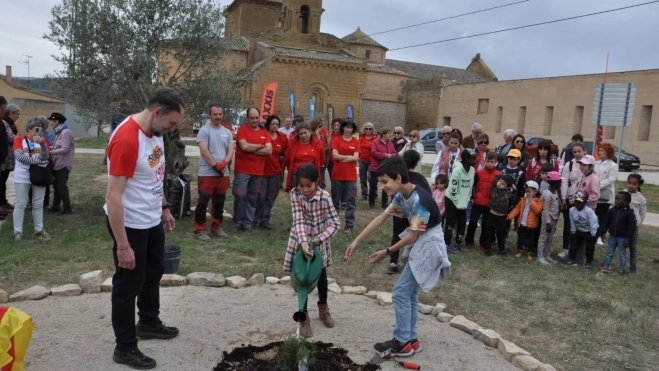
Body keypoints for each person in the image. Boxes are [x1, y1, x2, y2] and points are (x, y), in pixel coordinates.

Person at [104, 87, 183, 369]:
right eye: (173, 123)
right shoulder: (127, 139)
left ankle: (148, 321)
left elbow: (155, 175)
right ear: (158, 112)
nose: (173, 129)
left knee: (153, 272)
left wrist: (164, 208)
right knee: (128, 285)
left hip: (151, 218)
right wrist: (123, 246)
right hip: (130, 223)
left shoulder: (157, 133)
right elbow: (113, 197)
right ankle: (124, 347)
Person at [345, 156, 450, 357]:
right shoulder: (402, 196)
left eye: (385, 181)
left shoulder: (420, 200)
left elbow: (412, 235)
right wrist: (356, 240)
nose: (383, 186)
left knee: (400, 292)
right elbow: (381, 217)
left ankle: (402, 342)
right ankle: (410, 339)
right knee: (409, 293)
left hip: (429, 247)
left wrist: (387, 252)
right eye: (381, 182)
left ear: (399, 178)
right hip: (421, 243)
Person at [284, 163, 340, 338]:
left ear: (317, 181)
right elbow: (298, 219)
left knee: (321, 276)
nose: (305, 189)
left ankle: (323, 310)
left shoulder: (324, 197)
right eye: (301, 185)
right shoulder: (295, 194)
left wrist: (318, 239)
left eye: (309, 185)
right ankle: (304, 316)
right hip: (301, 240)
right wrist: (304, 242)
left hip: (319, 240)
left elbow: (335, 224)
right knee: (303, 278)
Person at [193, 104, 235, 241]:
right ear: (209, 115)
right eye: (215, 114)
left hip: (224, 173)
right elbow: (204, 150)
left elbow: (230, 150)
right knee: (203, 201)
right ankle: (200, 229)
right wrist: (214, 165)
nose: (218, 117)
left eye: (220, 114)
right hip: (207, 173)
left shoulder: (227, 132)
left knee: (220, 202)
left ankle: (217, 227)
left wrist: (224, 163)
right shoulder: (204, 131)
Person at [388, 150, 432, 275]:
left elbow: (393, 194)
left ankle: (393, 263)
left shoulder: (399, 177)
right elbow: (428, 197)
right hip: (416, 214)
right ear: (417, 162)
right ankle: (412, 261)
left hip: (400, 211)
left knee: (397, 235)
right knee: (415, 237)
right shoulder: (421, 178)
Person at [233, 107, 272, 232]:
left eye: (256, 118)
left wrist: (252, 149)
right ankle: (238, 222)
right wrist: (260, 146)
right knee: (241, 195)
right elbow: (244, 147)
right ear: (247, 118)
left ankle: (248, 223)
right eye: (252, 118)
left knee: (252, 197)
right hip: (242, 170)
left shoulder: (264, 132)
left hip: (257, 171)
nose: (255, 120)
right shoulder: (242, 130)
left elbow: (269, 151)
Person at [12, 117, 52, 241]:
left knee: (38, 203)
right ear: (28, 129)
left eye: (42, 130)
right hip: (22, 176)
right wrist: (39, 161)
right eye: (36, 129)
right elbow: (20, 157)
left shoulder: (43, 140)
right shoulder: (19, 140)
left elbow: (47, 157)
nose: (40, 132)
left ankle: (39, 229)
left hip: (39, 175)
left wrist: (42, 144)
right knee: (20, 203)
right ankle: (18, 232)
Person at [254, 115, 288, 230]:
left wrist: (282, 158)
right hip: (262, 171)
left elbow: (286, 151)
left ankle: (265, 220)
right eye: (273, 124)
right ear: (268, 124)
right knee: (261, 196)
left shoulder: (282, 137)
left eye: (277, 124)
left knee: (271, 196)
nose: (275, 126)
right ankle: (255, 218)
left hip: (275, 172)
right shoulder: (263, 134)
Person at [465, 152, 500, 251]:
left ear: (496, 162)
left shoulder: (499, 175)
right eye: (487, 161)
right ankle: (469, 241)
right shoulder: (479, 173)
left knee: (485, 225)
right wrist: (471, 196)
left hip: (489, 204)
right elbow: (472, 185)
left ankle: (483, 244)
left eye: (492, 162)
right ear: (484, 161)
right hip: (477, 202)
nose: (489, 163)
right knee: (472, 222)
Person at [330, 119, 360, 233]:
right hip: (337, 175)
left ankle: (349, 225)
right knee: (335, 200)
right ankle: (334, 224)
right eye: (347, 127)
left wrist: (342, 157)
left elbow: (356, 158)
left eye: (351, 128)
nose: (349, 129)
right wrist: (349, 158)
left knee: (351, 201)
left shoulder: (356, 141)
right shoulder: (336, 140)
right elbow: (335, 156)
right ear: (343, 128)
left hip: (351, 176)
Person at [444, 149, 476, 253]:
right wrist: (457, 201)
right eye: (473, 158)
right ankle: (447, 243)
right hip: (452, 199)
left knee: (462, 223)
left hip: (463, 201)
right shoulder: (457, 170)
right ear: (467, 160)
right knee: (451, 222)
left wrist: (467, 198)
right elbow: (453, 187)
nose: (475, 160)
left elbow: (470, 185)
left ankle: (459, 242)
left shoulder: (472, 170)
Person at [558, 142, 587, 259]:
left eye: (579, 151)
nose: (577, 154)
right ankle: (566, 248)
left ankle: (579, 251)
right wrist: (563, 197)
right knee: (568, 224)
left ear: (584, 151)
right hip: (570, 196)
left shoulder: (589, 164)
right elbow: (564, 181)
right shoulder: (569, 165)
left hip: (582, 197)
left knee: (580, 222)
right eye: (575, 152)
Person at [597, 191, 636, 275]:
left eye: (618, 199)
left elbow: (631, 227)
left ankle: (622, 269)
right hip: (612, 236)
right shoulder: (612, 211)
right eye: (615, 198)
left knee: (622, 254)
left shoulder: (629, 213)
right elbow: (606, 222)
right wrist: (603, 232)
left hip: (623, 238)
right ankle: (606, 266)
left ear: (625, 202)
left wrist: (628, 238)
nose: (616, 201)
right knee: (610, 252)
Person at [283, 122, 324, 193]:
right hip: (296, 174)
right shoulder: (293, 143)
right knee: (297, 195)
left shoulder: (318, 143)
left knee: (311, 194)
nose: (303, 135)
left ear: (310, 132)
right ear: (298, 135)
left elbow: (321, 159)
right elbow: (287, 160)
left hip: (311, 173)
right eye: (300, 134)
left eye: (305, 133)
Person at [47, 112, 75, 215]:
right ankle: (55, 206)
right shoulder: (58, 132)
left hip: (63, 164)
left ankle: (67, 209)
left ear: (57, 121)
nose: (50, 123)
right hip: (57, 164)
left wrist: (51, 152)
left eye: (51, 121)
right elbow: (56, 147)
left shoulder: (65, 132)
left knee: (61, 186)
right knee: (56, 186)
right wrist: (45, 147)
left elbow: (65, 149)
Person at [507, 181, 543, 260]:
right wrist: (509, 217)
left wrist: (531, 201)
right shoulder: (523, 200)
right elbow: (517, 209)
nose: (528, 194)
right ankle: (519, 250)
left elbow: (537, 210)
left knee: (531, 239)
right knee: (520, 238)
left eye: (529, 192)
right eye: (526, 192)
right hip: (522, 223)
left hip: (532, 225)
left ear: (535, 191)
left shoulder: (539, 201)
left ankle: (530, 252)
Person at [484, 174, 516, 256]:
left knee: (501, 234)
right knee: (489, 233)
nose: (499, 184)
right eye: (499, 182)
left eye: (502, 184)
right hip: (491, 214)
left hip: (501, 217)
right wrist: (502, 177)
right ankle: (488, 248)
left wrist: (514, 189)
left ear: (508, 187)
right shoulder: (494, 188)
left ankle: (501, 250)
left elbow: (513, 201)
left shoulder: (509, 193)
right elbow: (496, 179)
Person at [566, 192, 599, 270]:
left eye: (580, 202)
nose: (577, 204)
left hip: (589, 231)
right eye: (576, 201)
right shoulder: (571, 210)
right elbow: (572, 221)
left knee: (590, 248)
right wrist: (573, 231)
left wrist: (593, 234)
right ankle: (571, 259)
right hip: (579, 230)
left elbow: (593, 223)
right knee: (573, 246)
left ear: (585, 202)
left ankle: (588, 262)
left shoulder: (589, 211)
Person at [536, 171, 562, 265]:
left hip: (554, 218)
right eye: (559, 182)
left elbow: (557, 202)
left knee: (550, 238)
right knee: (543, 237)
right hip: (548, 219)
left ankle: (547, 254)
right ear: (554, 183)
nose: (560, 184)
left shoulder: (555, 192)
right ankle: (540, 256)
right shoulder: (547, 195)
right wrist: (547, 222)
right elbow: (545, 209)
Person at [369, 127, 396, 209]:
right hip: (376, 168)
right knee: (373, 186)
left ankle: (384, 203)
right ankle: (371, 203)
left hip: (386, 168)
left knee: (386, 186)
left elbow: (395, 153)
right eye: (388, 133)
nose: (390, 135)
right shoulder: (375, 142)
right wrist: (385, 155)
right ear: (383, 135)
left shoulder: (390, 143)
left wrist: (391, 156)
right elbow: (373, 153)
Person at [626, 173, 646, 276]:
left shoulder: (641, 198)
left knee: (633, 247)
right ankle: (622, 266)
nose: (631, 186)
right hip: (623, 225)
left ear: (638, 186)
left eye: (634, 184)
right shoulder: (623, 193)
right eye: (629, 183)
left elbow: (642, 213)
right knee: (620, 245)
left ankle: (633, 269)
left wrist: (638, 223)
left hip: (634, 226)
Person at [594, 143, 619, 225]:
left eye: (602, 151)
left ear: (608, 152)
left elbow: (611, 180)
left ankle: (601, 235)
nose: (600, 152)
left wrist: (596, 186)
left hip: (604, 196)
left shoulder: (613, 165)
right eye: (599, 150)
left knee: (602, 218)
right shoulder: (595, 163)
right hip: (593, 194)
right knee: (592, 217)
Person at [0, 100, 18, 211]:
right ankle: (1, 204)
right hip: (4, 157)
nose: (18, 117)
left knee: (3, 180)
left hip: (6, 157)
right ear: (10, 113)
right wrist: (23, 139)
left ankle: (3, 201)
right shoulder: (4, 122)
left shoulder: (8, 123)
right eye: (17, 114)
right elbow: (10, 137)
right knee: (1, 180)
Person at [358, 122, 376, 200]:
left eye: (370, 129)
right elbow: (358, 148)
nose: (368, 130)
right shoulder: (361, 138)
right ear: (364, 129)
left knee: (371, 178)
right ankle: (364, 193)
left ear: (372, 130)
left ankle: (374, 194)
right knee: (363, 178)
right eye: (366, 128)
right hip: (362, 161)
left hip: (371, 161)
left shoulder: (375, 139)